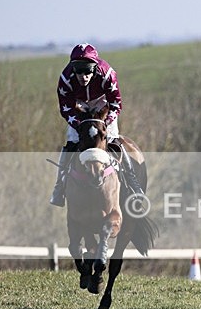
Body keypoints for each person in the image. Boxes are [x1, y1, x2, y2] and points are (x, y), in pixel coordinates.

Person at [50, 43, 142, 207]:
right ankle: (59, 187)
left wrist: (104, 123)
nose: (83, 76)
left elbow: (116, 104)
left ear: (95, 68)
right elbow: (65, 108)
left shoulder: (108, 74)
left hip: (102, 105)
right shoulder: (65, 79)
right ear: (73, 69)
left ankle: (132, 181)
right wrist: (78, 124)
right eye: (78, 71)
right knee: (71, 143)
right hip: (79, 107)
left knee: (114, 141)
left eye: (87, 71)